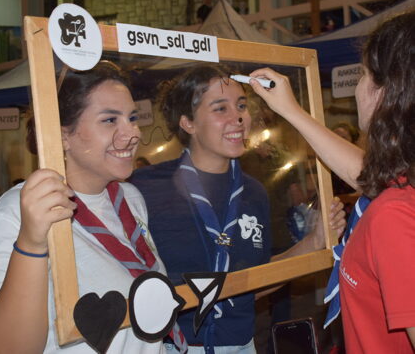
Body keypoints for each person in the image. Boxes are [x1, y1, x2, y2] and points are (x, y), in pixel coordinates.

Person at [129, 64, 346, 353]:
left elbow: (253, 283)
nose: (239, 118)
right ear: (188, 122)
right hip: (171, 346)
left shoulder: (253, 192)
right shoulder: (144, 188)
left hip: (241, 345)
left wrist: (315, 241)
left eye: (241, 106)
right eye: (221, 108)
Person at [248, 10, 415, 352]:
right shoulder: (402, 187)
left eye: (363, 74)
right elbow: (368, 175)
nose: (357, 87)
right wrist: (292, 111)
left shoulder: (393, 215)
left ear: (386, 92)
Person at [0, 61, 172, 353]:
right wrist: (30, 242)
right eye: (110, 120)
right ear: (63, 136)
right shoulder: (18, 212)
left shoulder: (130, 198)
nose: (133, 133)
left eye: (132, 118)